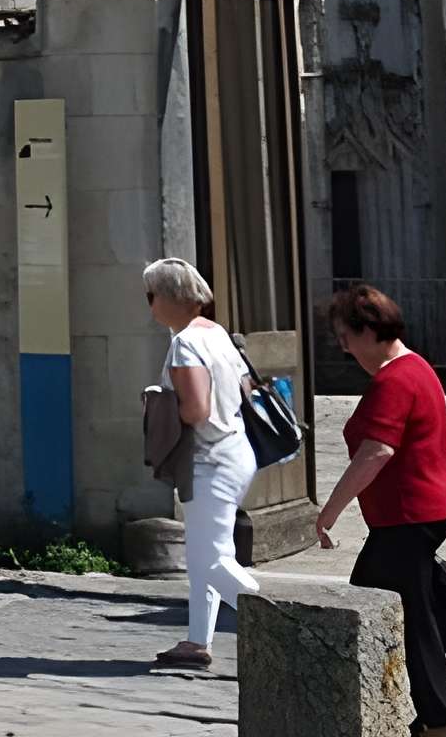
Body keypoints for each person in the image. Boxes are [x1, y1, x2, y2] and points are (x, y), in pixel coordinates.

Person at [312, 283, 446, 737]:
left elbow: (376, 452)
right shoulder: (416, 368)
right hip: (416, 516)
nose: (342, 347)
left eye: (345, 335)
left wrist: (329, 513)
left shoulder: (394, 380)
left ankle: (439, 723)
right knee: (396, 612)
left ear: (370, 331)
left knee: (398, 622)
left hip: (407, 519)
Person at [140, 257, 259, 671]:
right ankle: (196, 641)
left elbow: (195, 411)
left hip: (208, 460)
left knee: (211, 561)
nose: (149, 304)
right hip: (236, 449)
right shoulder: (217, 334)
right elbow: (240, 388)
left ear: (170, 298)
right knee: (208, 553)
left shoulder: (185, 343)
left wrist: (156, 400)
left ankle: (286, 621)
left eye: (151, 295)